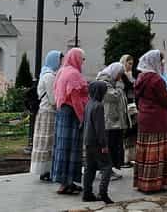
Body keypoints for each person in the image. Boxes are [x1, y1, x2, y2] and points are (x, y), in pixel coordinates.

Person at [133, 50, 167, 192]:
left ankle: (143, 181)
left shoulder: (140, 77)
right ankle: (157, 182)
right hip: (158, 119)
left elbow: (137, 98)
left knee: (145, 151)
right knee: (159, 152)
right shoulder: (156, 79)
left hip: (144, 118)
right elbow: (164, 99)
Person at [52, 48, 89, 196]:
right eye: (82, 59)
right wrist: (82, 118)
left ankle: (66, 182)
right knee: (71, 148)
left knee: (61, 147)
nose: (83, 62)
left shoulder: (62, 71)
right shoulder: (73, 74)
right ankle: (66, 183)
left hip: (62, 112)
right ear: (76, 58)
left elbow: (56, 91)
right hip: (71, 114)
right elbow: (76, 100)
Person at [30, 50, 62, 181]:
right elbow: (53, 99)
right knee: (47, 142)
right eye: (60, 59)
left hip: (45, 112)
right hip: (48, 112)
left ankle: (46, 170)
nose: (61, 62)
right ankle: (45, 170)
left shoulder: (47, 73)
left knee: (46, 142)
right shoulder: (49, 76)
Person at [82, 80, 114, 204]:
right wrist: (104, 145)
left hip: (87, 141)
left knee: (89, 168)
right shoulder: (99, 106)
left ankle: (87, 193)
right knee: (107, 166)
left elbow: (83, 123)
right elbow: (99, 128)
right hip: (96, 142)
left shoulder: (89, 104)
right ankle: (103, 192)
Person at [96, 62, 128, 178]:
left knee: (113, 145)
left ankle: (109, 169)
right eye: (119, 74)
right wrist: (119, 87)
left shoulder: (112, 82)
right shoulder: (104, 82)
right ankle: (104, 170)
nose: (120, 77)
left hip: (113, 119)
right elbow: (113, 96)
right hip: (108, 119)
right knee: (107, 145)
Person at [119, 54, 137, 167]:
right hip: (125, 105)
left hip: (132, 104)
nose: (130, 66)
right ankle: (124, 159)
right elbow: (127, 88)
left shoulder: (131, 75)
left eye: (131, 64)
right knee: (125, 132)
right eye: (128, 63)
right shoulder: (121, 75)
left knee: (131, 131)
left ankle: (129, 158)